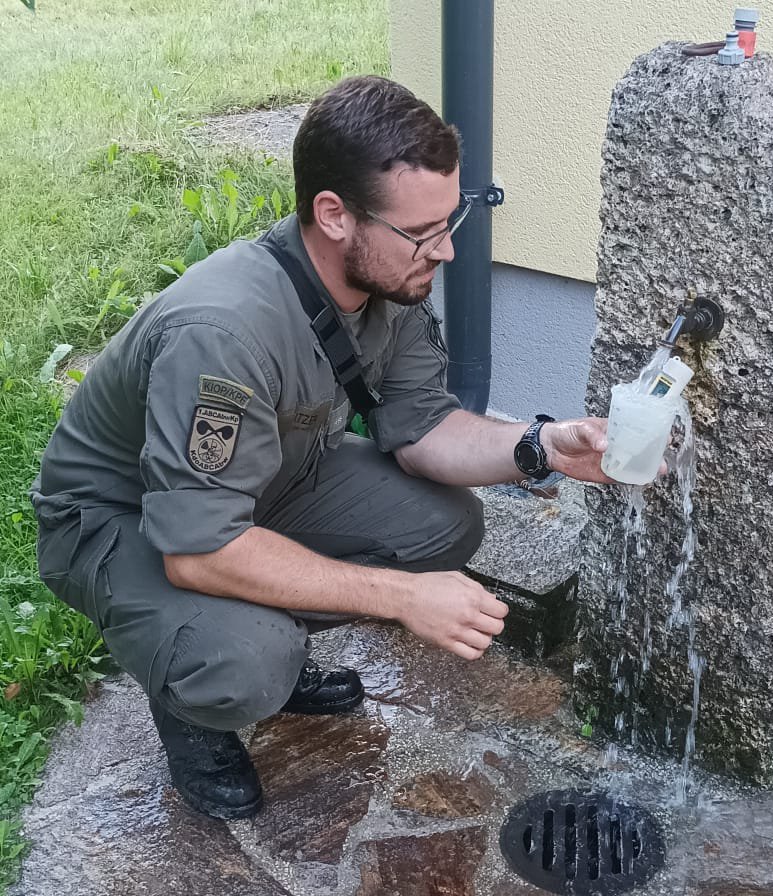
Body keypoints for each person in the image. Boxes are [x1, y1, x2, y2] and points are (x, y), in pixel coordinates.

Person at [30, 75, 613, 821]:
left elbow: (426, 428)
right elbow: (198, 551)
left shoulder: (388, 276)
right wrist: (404, 599)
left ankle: (257, 626)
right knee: (249, 660)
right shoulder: (224, 334)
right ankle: (196, 692)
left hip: (257, 483)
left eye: (451, 219)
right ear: (334, 216)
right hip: (119, 519)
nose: (450, 251)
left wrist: (543, 446)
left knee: (448, 525)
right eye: (424, 233)